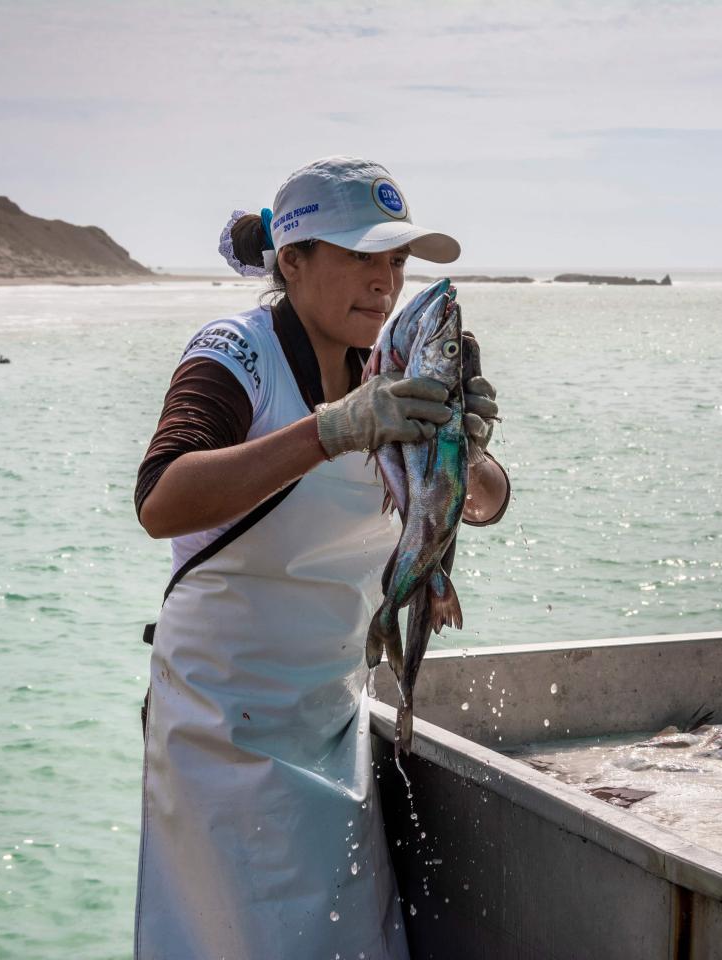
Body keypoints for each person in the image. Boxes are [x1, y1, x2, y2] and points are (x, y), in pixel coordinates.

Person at [132, 156, 510, 960]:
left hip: (334, 714)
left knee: (347, 938)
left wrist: (470, 450)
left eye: (396, 262)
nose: (384, 282)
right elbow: (161, 498)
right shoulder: (236, 352)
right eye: (360, 257)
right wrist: (331, 429)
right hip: (220, 723)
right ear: (292, 262)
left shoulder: (402, 362)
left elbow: (477, 503)